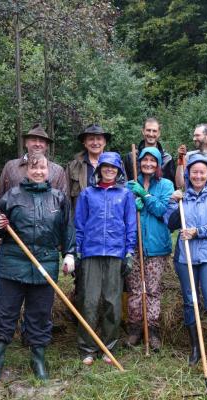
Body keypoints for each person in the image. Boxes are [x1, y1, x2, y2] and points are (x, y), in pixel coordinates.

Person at [0, 154, 75, 384]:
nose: (38, 172)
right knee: (5, 314)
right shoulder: (12, 196)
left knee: (40, 315)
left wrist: (70, 254)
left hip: (45, 263)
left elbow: (68, 229)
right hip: (13, 264)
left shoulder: (59, 198)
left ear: (49, 170)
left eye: (42, 167)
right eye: (33, 168)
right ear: (26, 171)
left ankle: (38, 360)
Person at [0, 124, 67, 351]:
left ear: (46, 146)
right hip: (12, 243)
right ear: (26, 142)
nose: (37, 143)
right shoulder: (11, 166)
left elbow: (61, 206)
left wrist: (60, 241)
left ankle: (31, 335)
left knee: (39, 292)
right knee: (1, 287)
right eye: (33, 139)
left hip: (42, 246)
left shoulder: (57, 171)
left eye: (42, 141)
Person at [164, 154, 207, 372]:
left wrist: (198, 232)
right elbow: (170, 223)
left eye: (202, 172)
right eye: (194, 172)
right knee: (190, 302)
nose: (198, 175)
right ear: (188, 175)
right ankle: (195, 348)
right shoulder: (182, 197)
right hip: (185, 258)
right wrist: (172, 202)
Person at [74, 152, 137, 365]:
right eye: (106, 166)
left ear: (119, 170)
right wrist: (78, 252)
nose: (109, 170)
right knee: (89, 301)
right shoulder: (87, 194)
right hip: (91, 252)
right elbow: (79, 225)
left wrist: (129, 252)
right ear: (99, 169)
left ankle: (108, 347)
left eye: (114, 167)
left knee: (112, 301)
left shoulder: (126, 194)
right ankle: (88, 348)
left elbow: (130, 225)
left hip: (115, 252)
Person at [124, 147, 174, 351]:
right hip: (134, 245)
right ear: (139, 162)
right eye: (145, 160)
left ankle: (152, 331)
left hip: (156, 246)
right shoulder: (129, 185)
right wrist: (130, 203)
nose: (148, 164)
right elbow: (123, 212)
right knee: (135, 290)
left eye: (153, 161)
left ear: (159, 164)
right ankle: (135, 329)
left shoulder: (166, 185)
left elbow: (162, 210)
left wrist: (144, 196)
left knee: (152, 290)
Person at [66, 124, 111, 215]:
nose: (95, 142)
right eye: (91, 139)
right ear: (85, 143)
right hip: (82, 222)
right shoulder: (73, 166)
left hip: (110, 222)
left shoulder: (115, 164)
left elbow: (124, 192)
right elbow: (66, 198)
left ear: (105, 142)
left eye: (99, 138)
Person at [124, 117, 176, 185]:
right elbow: (124, 182)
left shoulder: (167, 159)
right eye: (148, 130)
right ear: (143, 131)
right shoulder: (131, 156)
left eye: (154, 131)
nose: (151, 134)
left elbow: (172, 186)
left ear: (159, 133)